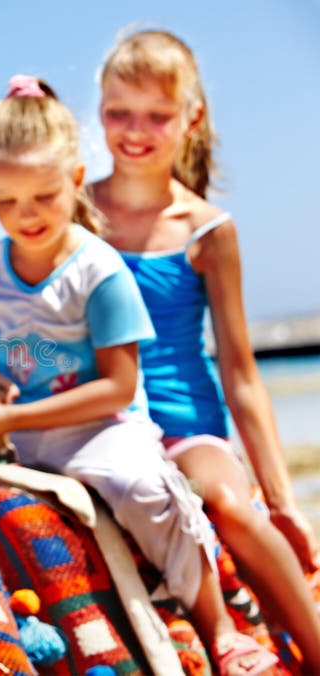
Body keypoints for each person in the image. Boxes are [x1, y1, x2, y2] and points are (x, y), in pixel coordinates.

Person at [0, 74, 278, 675]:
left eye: (45, 198)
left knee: (143, 490)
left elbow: (120, 387)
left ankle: (222, 627)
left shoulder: (98, 270)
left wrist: (12, 414)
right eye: (8, 202)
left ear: (76, 181)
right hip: (14, 430)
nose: (27, 216)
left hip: (101, 426)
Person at [88, 29, 320, 671]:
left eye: (156, 115)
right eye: (118, 112)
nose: (135, 130)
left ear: (190, 118)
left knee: (220, 499)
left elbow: (242, 377)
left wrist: (282, 500)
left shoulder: (208, 232)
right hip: (95, 418)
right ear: (98, 111)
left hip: (186, 426)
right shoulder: (71, 212)